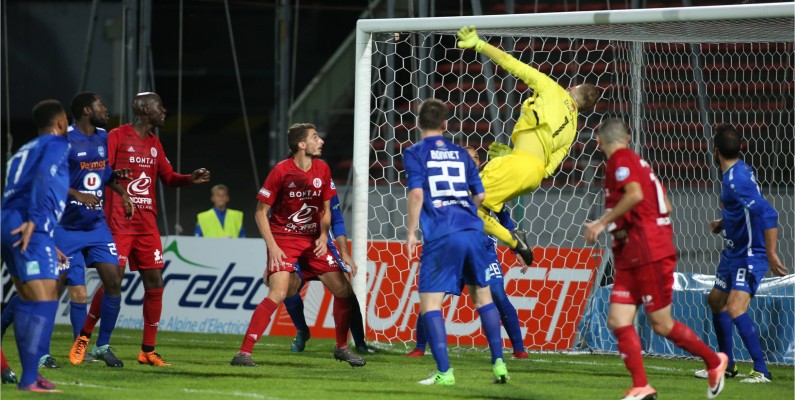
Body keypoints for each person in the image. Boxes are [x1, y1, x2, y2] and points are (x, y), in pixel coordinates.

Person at [582, 118, 728, 400]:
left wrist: (602, 223)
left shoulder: (619, 161)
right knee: (618, 319)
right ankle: (642, 386)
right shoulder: (639, 163)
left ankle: (714, 361)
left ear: (599, 140)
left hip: (647, 252)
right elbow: (666, 204)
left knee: (661, 324)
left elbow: (635, 195)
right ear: (627, 138)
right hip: (632, 253)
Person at [68, 92, 211, 367]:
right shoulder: (117, 136)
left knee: (155, 283)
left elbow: (168, 178)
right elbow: (102, 170)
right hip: (119, 224)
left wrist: (189, 179)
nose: (164, 111)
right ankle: (85, 337)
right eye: (160, 106)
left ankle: (147, 349)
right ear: (145, 110)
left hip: (147, 226)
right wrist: (115, 193)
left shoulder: (154, 143)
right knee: (113, 281)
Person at [456, 26, 599, 267]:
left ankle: (513, 240)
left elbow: (512, 64)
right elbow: (546, 170)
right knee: (477, 206)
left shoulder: (552, 89)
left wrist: (479, 45)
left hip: (519, 164)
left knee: (464, 205)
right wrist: (513, 155)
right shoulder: (572, 131)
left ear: (572, 88)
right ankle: (495, 245)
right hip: (531, 176)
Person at [230, 123, 365, 368]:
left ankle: (342, 348)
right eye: (315, 137)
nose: (321, 141)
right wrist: (272, 247)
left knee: (343, 289)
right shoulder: (281, 172)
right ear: (301, 145)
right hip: (284, 240)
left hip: (313, 240)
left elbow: (326, 210)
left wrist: (324, 236)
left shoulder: (323, 169)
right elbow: (261, 213)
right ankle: (244, 353)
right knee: (279, 292)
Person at [403, 98, 508, 386]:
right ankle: (499, 364)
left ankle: (445, 373)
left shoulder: (414, 152)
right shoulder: (462, 154)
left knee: (431, 305)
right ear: (445, 124)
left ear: (418, 123)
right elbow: (481, 196)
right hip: (473, 231)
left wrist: (411, 231)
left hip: (441, 232)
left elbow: (416, 194)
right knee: (483, 297)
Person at [406, 146, 527, 360]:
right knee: (434, 297)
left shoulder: (487, 187)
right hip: (452, 252)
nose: (473, 161)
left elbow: (505, 220)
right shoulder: (448, 186)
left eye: (477, 158)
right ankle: (419, 346)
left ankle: (519, 349)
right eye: (468, 158)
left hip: (483, 252)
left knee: (498, 296)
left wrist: (515, 247)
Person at [692, 124, 788, 383]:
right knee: (715, 301)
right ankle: (727, 365)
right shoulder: (740, 169)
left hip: (750, 254)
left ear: (715, 151)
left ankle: (762, 371)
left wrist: (770, 254)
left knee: (735, 308)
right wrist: (722, 223)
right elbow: (742, 209)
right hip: (732, 252)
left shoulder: (736, 180)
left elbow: (768, 213)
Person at [51, 92, 134, 368]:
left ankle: (102, 346)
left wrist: (119, 188)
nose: (106, 110)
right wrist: (78, 195)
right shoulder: (65, 140)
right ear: (87, 109)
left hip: (96, 226)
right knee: (53, 290)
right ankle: (39, 351)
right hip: (66, 227)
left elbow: (103, 172)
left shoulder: (102, 136)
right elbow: (52, 181)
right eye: (102, 105)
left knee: (113, 281)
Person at [1, 99, 71, 392]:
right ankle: (30, 378)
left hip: (8, 222)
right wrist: (34, 220)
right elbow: (43, 177)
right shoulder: (55, 144)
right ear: (60, 123)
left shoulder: (25, 149)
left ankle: (31, 375)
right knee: (45, 299)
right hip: (27, 224)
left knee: (29, 299)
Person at [283, 193, 375, 355]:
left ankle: (359, 343)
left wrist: (344, 252)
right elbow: (274, 221)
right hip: (295, 246)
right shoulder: (285, 179)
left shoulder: (325, 182)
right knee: (286, 286)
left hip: (322, 246)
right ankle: (302, 330)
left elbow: (337, 220)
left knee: (345, 289)